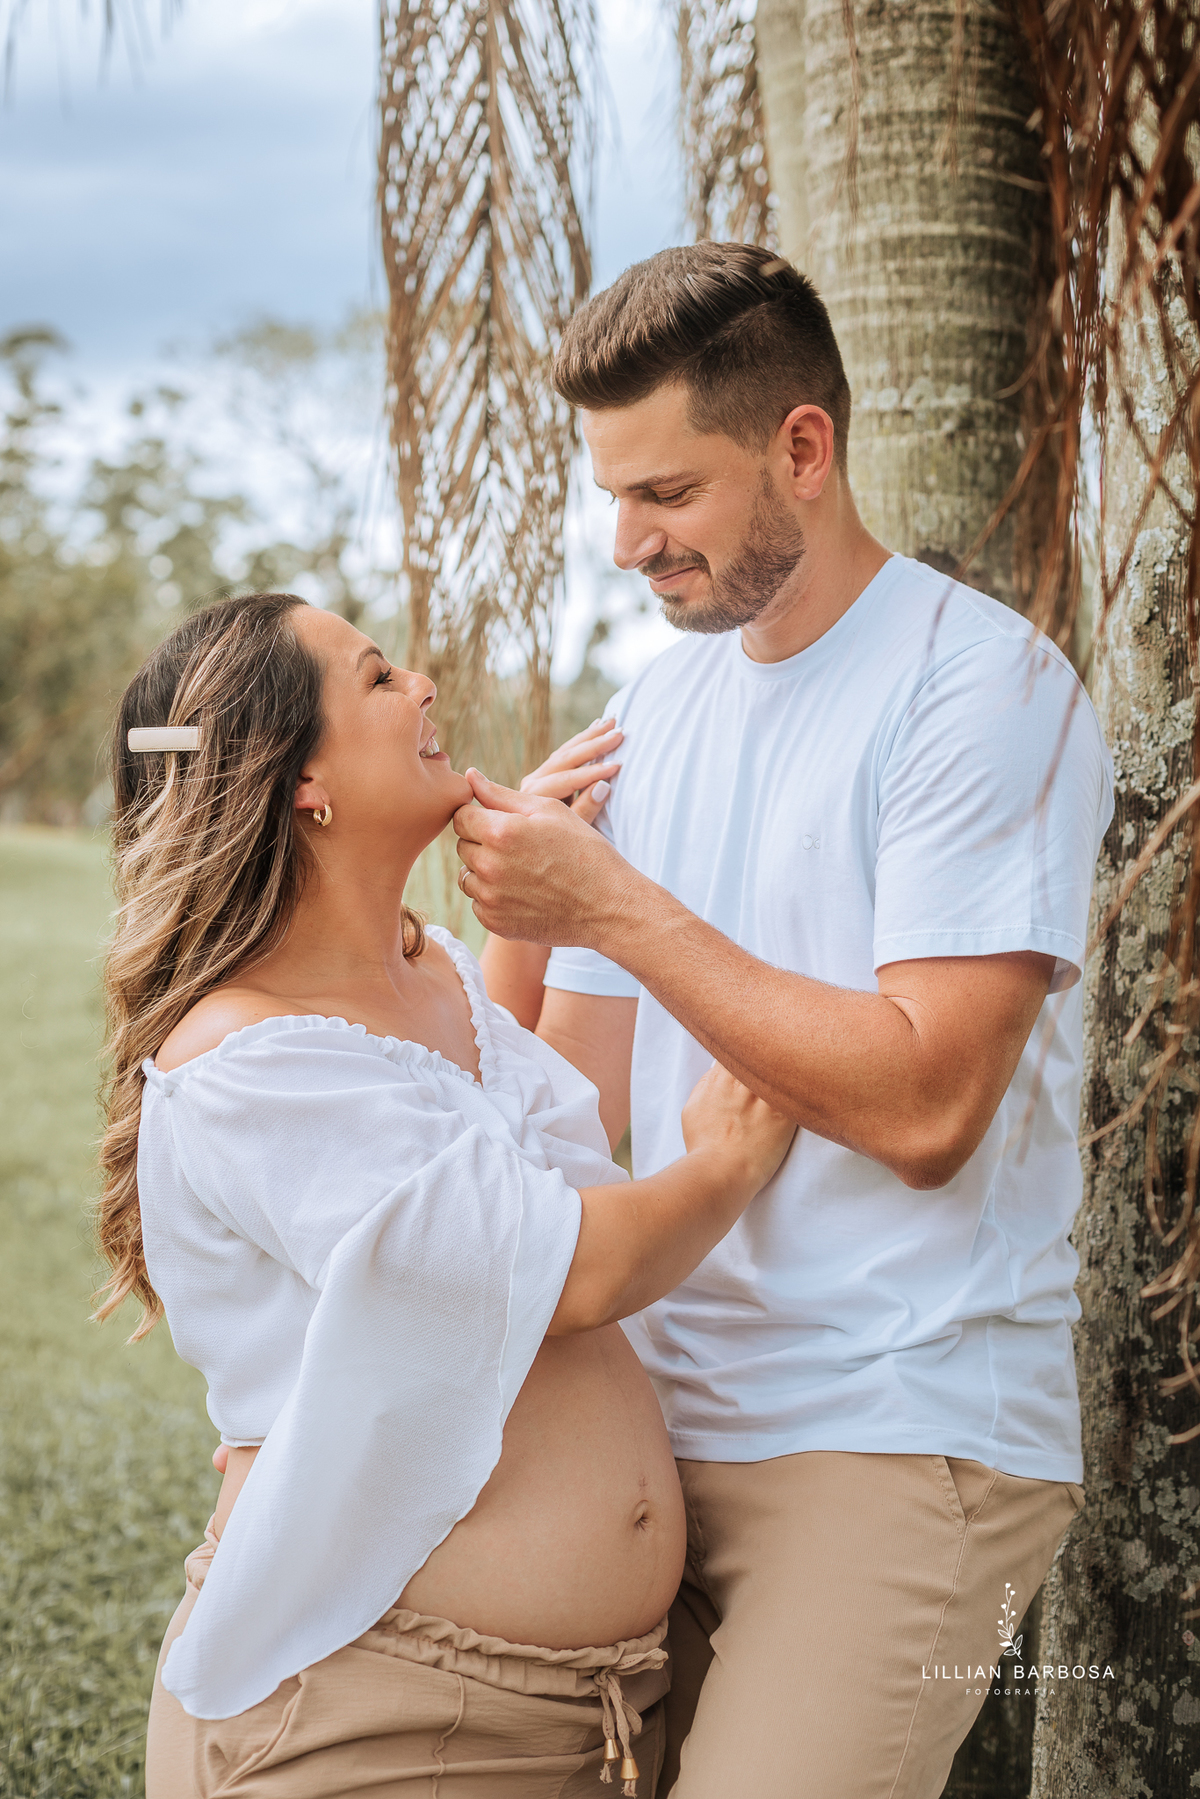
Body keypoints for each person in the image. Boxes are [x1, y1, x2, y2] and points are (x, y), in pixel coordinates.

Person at [454, 242, 1116, 1799]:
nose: (627, 541)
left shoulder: (983, 690)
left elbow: (926, 1110)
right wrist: (518, 930)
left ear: (802, 449)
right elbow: (569, 1112)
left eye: (668, 494)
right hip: (649, 1418)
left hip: (895, 1421)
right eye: (614, 496)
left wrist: (609, 904)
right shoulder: (661, 705)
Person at [94, 589, 795, 1798]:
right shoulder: (251, 1062)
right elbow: (566, 1264)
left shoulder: (441, 977)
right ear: (300, 780)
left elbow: (508, 1132)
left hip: (590, 1715)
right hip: (383, 1720)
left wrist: (552, 901)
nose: (421, 685)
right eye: (375, 679)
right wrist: (722, 1166)